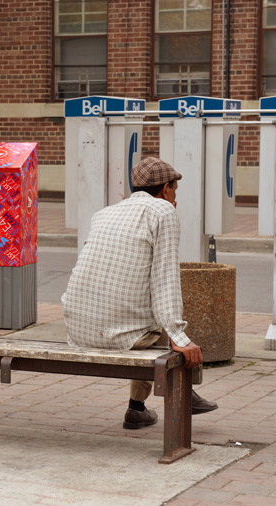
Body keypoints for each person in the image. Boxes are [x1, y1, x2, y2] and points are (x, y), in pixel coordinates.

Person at [62, 157, 217, 430]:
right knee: (163, 330)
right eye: (174, 190)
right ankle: (173, 397)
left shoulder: (105, 212)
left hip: (77, 328)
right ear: (167, 188)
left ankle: (138, 409)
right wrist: (180, 337)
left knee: (151, 323)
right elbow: (165, 278)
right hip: (119, 334)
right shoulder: (164, 212)